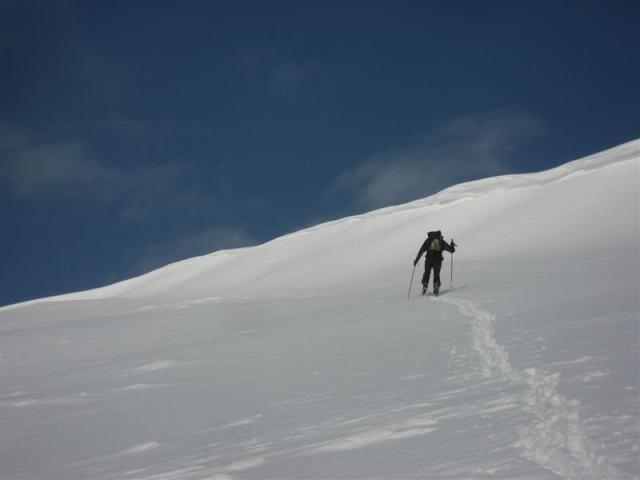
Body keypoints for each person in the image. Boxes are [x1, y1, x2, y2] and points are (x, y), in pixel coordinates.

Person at [413, 230, 456, 296]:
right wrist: (452, 245)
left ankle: (425, 285)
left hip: (428, 259)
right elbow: (451, 250)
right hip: (438, 260)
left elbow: (421, 250)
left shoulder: (428, 240)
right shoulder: (441, 241)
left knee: (427, 272)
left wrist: (416, 260)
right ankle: (436, 286)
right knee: (436, 273)